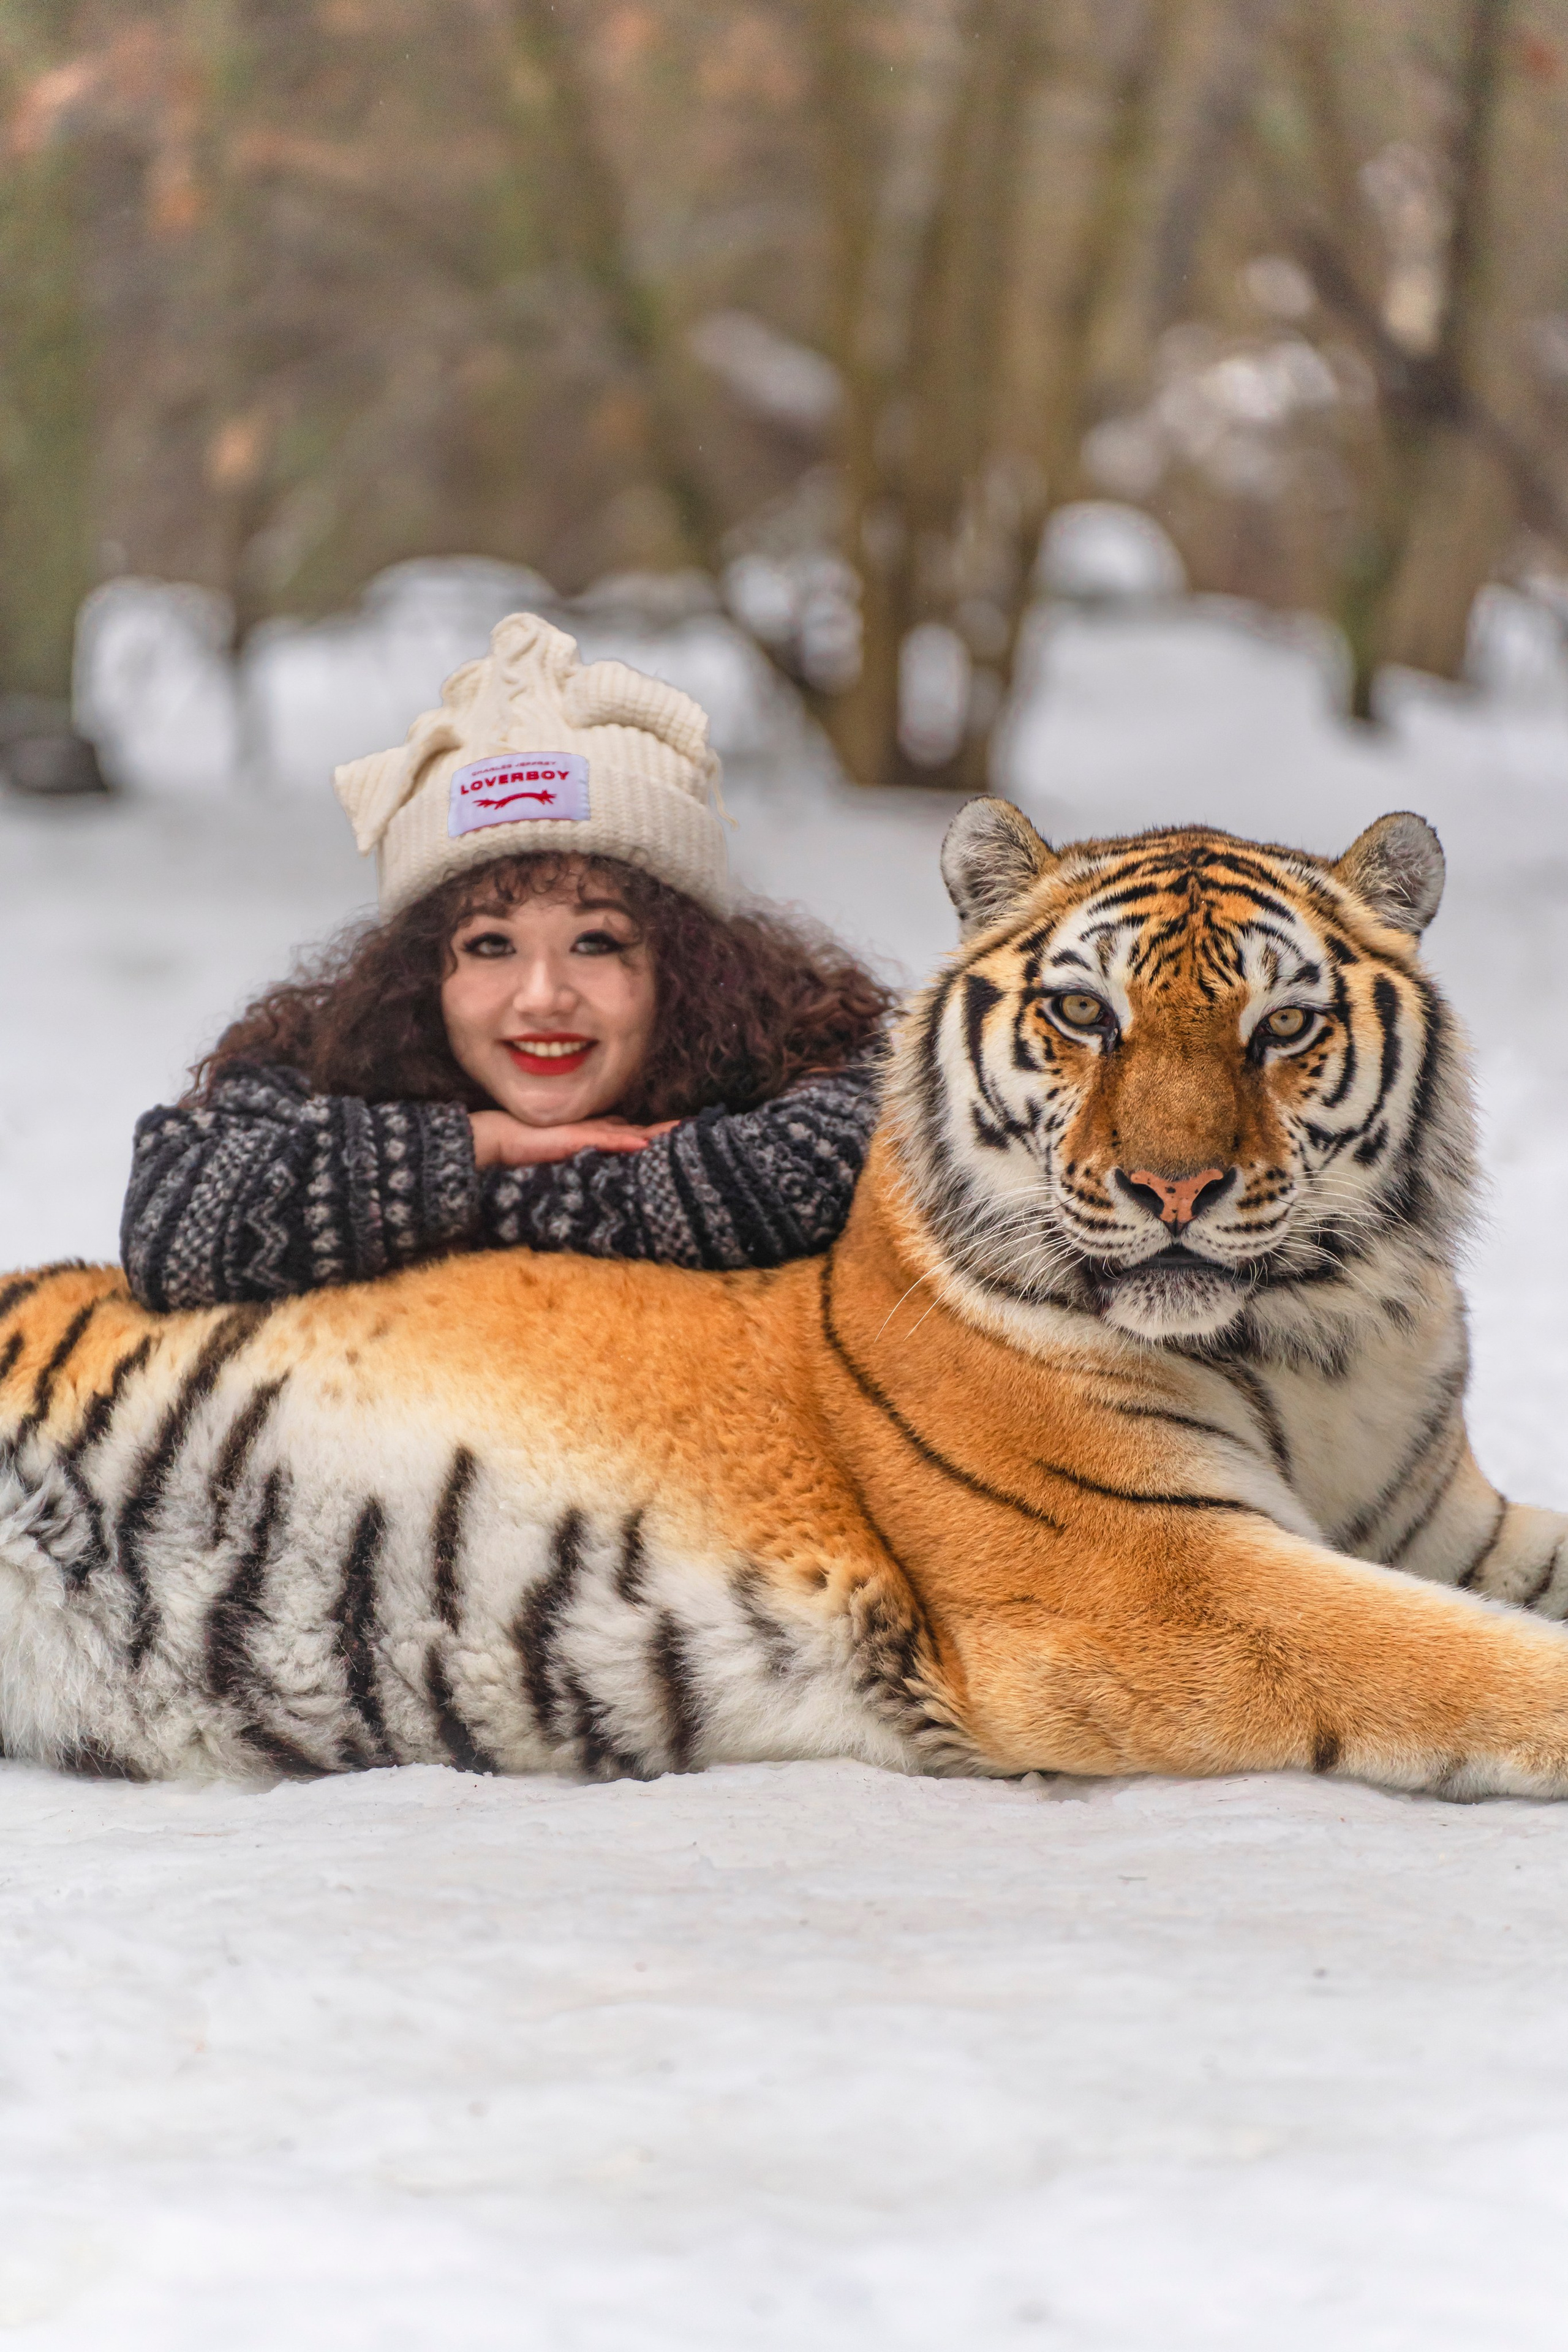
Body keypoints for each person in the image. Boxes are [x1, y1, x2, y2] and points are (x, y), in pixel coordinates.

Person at [121, 613, 893, 1312]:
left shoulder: (815, 1054)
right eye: (490, 945)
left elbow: (805, 1184)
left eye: (597, 943)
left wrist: (431, 1205)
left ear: (687, 967)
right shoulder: (323, 1058)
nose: (542, 996)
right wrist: (472, 1148)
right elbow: (172, 1225)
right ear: (420, 975)